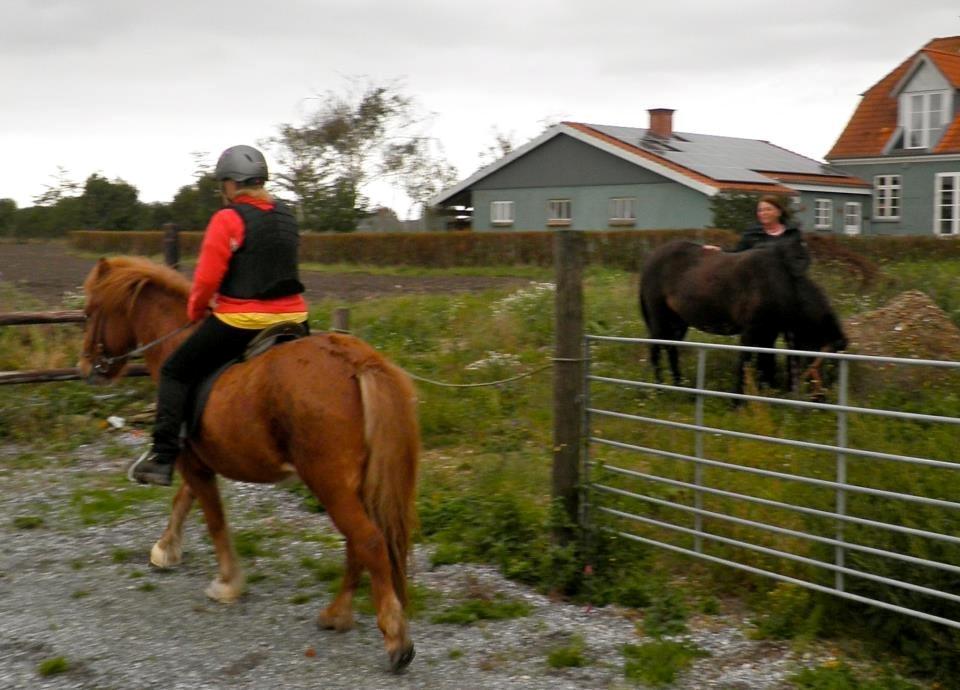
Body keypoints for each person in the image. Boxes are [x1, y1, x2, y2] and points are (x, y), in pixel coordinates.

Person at [129, 144, 308, 486]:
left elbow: (207, 279)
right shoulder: (287, 215)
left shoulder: (228, 219)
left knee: (175, 371)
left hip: (241, 323)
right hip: (294, 321)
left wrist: (196, 310)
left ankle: (162, 457)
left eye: (222, 184)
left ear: (231, 184)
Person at [703, 195, 802, 252]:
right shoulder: (752, 233)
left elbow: (801, 258)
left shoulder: (792, 232)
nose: (764, 213)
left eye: (768, 209)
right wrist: (718, 250)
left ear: (779, 212)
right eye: (760, 210)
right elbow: (738, 253)